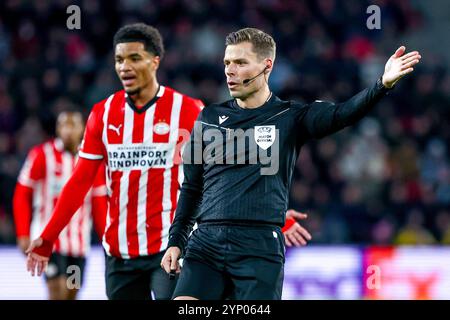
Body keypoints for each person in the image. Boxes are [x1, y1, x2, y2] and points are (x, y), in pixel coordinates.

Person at [25, 24, 312, 300]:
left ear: (154, 61)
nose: (125, 66)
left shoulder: (188, 110)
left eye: (134, 58)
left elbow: (229, 168)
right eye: (119, 59)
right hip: (120, 253)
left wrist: (273, 213)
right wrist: (48, 236)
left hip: (171, 248)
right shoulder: (103, 113)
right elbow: (80, 181)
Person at [161, 27, 421, 300]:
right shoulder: (209, 117)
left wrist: (382, 84)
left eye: (240, 62)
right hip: (206, 244)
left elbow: (341, 114)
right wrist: (176, 241)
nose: (230, 70)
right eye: (227, 62)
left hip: (258, 248)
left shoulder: (289, 116)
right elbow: (191, 188)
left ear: (266, 65)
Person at [13, 110, 107, 300]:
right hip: (49, 242)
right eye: (65, 125)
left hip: (78, 246)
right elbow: (22, 195)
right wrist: (23, 233)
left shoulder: (93, 161)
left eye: (74, 125)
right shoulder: (41, 155)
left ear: (83, 129)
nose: (69, 131)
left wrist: (107, 240)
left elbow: (99, 205)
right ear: (58, 128)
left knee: (72, 292)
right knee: (57, 291)